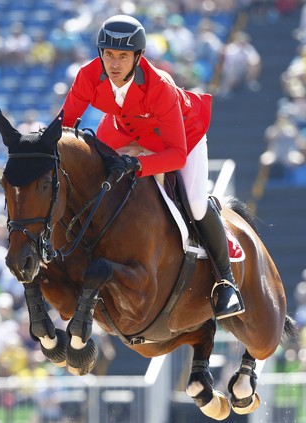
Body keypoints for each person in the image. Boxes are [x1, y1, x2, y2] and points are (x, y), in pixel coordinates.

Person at [59, 15, 244, 319]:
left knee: (195, 204)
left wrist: (137, 163)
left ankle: (226, 282)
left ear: (138, 57)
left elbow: (176, 156)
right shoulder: (88, 76)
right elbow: (64, 127)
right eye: (108, 55)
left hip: (181, 135)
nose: (114, 64)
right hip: (124, 129)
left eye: (122, 56)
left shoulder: (159, 87)